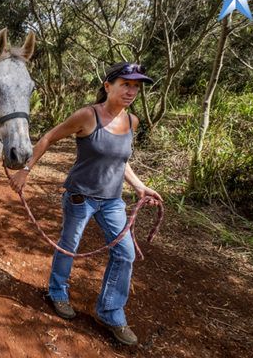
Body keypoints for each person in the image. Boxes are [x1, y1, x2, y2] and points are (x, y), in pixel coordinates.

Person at [9, 62, 163, 346]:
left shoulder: (132, 122)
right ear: (108, 86)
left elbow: (121, 162)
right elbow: (47, 138)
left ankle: (111, 312)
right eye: (125, 84)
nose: (131, 91)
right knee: (69, 247)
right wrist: (25, 171)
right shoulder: (87, 116)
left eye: (135, 87)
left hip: (113, 202)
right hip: (80, 197)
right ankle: (57, 292)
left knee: (125, 253)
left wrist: (140, 187)